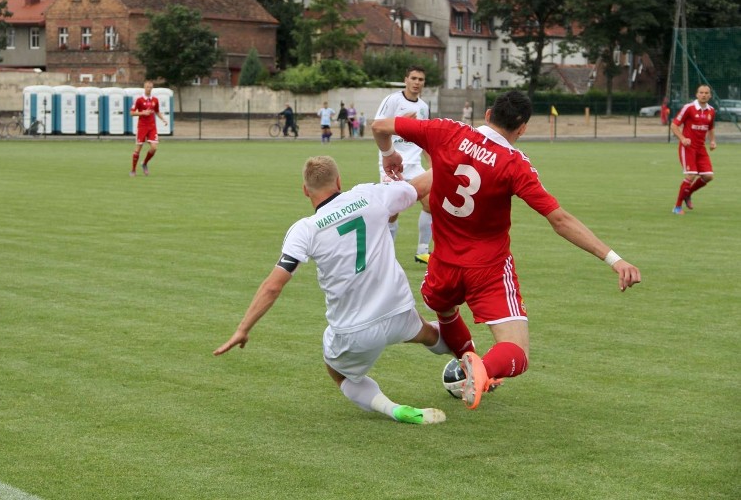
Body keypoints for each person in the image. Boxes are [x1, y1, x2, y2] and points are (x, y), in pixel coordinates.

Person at [371, 90, 641, 410]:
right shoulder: (514, 165)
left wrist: (389, 154)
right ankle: (483, 368)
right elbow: (559, 219)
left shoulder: (445, 131)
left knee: (445, 311)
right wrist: (614, 258)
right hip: (488, 268)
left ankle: (466, 360)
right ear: (522, 128)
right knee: (517, 351)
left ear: (487, 115)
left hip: (442, 265)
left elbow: (378, 126)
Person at [214, 156, 452, 425]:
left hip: (354, 330)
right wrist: (456, 157)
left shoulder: (305, 230)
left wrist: (242, 329)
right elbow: (419, 187)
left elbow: (273, 286)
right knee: (430, 333)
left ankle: (393, 409)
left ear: (305, 190)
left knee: (337, 372)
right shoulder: (368, 195)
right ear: (339, 182)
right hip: (398, 310)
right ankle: (473, 361)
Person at [374, 65, 433, 265]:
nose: (417, 82)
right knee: (392, 212)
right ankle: (387, 254)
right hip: (392, 164)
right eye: (414, 78)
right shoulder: (392, 100)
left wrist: (433, 164)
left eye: (421, 79)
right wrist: (401, 123)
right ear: (406, 79)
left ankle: (423, 251)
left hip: (415, 165)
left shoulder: (424, 107)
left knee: (431, 204)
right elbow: (378, 128)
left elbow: (425, 139)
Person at [670, 84, 716, 214]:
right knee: (691, 175)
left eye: (706, 93)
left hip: (701, 148)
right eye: (701, 92)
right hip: (688, 147)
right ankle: (677, 207)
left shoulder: (711, 111)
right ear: (697, 94)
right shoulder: (688, 108)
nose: (704, 95)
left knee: (708, 176)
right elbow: (674, 125)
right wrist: (683, 138)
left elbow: (711, 127)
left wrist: (712, 141)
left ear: (710, 95)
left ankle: (687, 193)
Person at [129, 80, 169, 177]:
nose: (149, 89)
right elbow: (132, 113)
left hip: (152, 127)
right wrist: (142, 113)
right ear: (144, 87)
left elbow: (157, 111)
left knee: (154, 147)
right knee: (138, 149)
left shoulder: (155, 100)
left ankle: (144, 163)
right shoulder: (139, 100)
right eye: (147, 87)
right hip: (142, 126)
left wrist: (163, 119)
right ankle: (133, 170)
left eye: (150, 87)